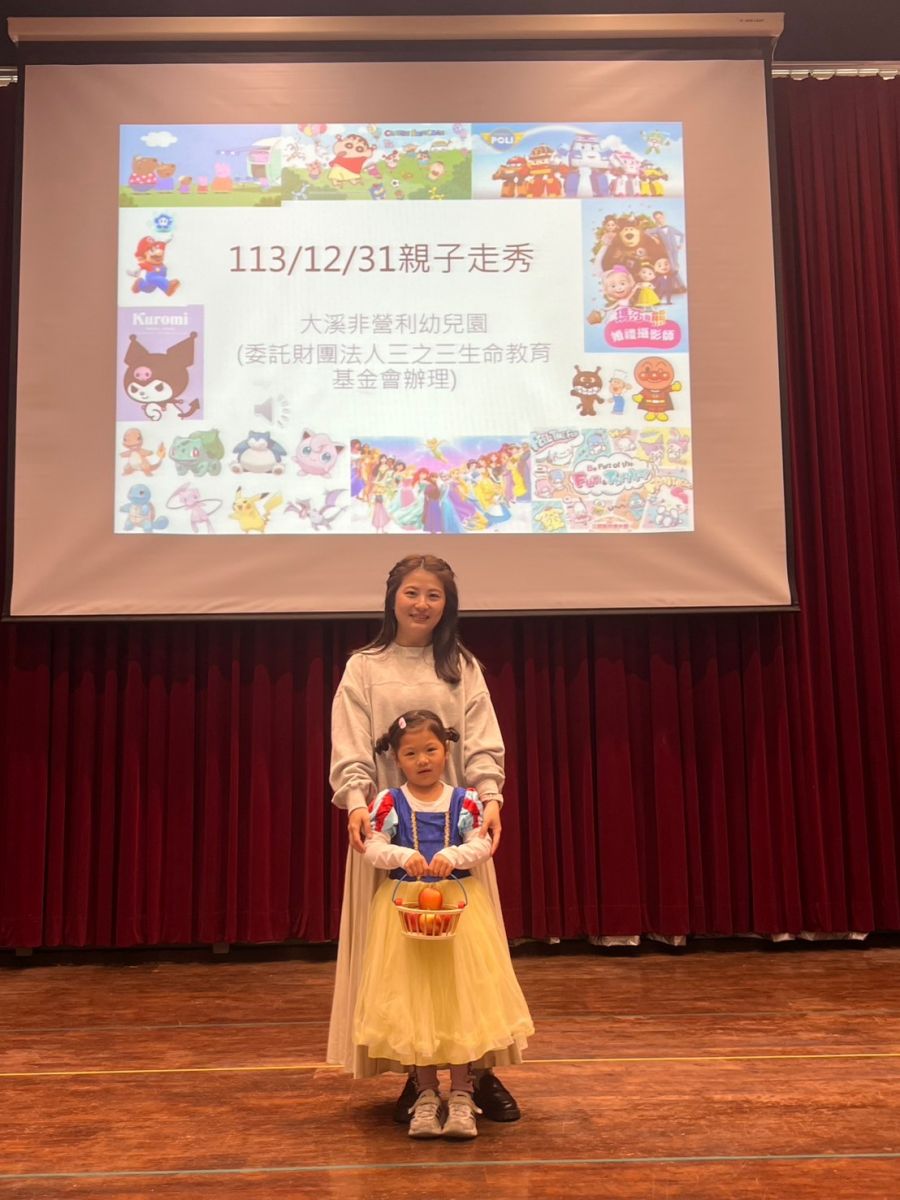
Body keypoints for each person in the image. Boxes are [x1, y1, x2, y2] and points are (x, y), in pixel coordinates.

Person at [328, 554, 523, 1123]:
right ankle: (418, 1077)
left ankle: (478, 1071)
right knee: (400, 960)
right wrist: (357, 802)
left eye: (433, 595)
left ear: (447, 605)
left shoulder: (462, 666)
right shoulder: (364, 667)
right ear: (393, 597)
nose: (421, 604)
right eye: (411, 593)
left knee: (467, 957)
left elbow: (483, 740)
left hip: (456, 829)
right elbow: (350, 743)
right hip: (391, 833)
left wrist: (490, 797)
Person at [354, 710, 533, 1137]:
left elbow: (482, 843)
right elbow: (372, 846)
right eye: (411, 753)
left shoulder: (465, 801)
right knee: (416, 997)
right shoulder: (389, 801)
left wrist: (453, 855)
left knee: (459, 997)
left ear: (447, 751)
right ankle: (425, 1093)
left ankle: (463, 1094)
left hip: (458, 911)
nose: (422, 760)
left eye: (430, 750)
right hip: (405, 911)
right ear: (397, 759)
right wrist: (401, 856)